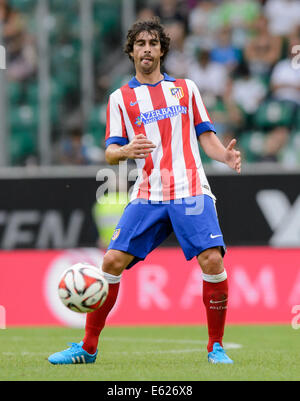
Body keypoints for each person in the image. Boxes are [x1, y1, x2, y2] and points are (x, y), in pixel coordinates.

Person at [48, 17, 241, 366]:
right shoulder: (120, 98)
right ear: (132, 51)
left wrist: (224, 156)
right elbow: (110, 151)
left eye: (153, 42)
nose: (147, 48)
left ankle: (216, 346)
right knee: (111, 261)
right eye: (140, 43)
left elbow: (206, 137)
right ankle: (88, 348)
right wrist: (125, 151)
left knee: (212, 260)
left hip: (190, 188)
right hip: (148, 193)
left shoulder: (186, 88)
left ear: (162, 49)